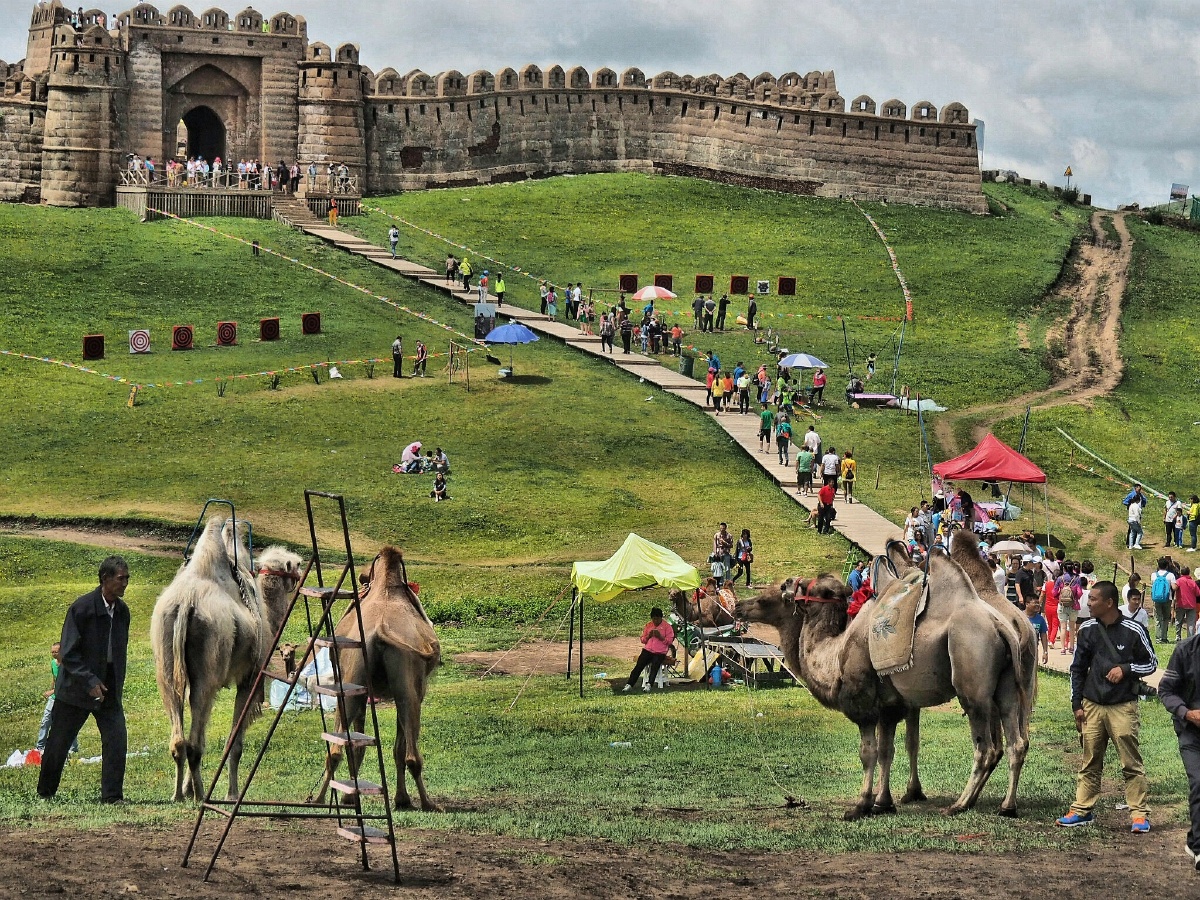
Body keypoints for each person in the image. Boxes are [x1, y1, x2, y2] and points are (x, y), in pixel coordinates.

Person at [1055, 580, 1157, 832]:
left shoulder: (1135, 630)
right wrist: (1076, 703)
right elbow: (1077, 669)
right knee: (1089, 760)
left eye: (1092, 600)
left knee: (1130, 763)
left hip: (1123, 706)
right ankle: (1081, 810)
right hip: (1091, 705)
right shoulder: (1087, 629)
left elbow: (1151, 664)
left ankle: (1139, 815)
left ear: (1109, 603)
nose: (1087, 603)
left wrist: (1126, 669)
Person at [38, 557, 131, 803]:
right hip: (75, 687)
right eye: (121, 578)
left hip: (107, 685)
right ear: (105, 579)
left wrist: (112, 684)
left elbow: (118, 652)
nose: (125, 583)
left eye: (127, 578)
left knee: (116, 738)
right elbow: (67, 652)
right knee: (58, 742)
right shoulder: (81, 609)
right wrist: (89, 681)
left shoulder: (122, 612)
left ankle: (112, 796)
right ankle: (45, 793)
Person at [1157, 625, 1200, 870]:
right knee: (1199, 782)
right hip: (1191, 732)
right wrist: (1187, 713)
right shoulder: (1186, 650)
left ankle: (1194, 840)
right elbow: (1166, 690)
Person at [35, 642, 79, 755]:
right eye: (52, 652)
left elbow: (67, 683)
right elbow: (55, 679)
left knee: (68, 723)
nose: (54, 654)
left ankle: (73, 748)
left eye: (56, 651)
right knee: (46, 720)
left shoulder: (67, 665)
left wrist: (52, 691)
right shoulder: (53, 663)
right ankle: (40, 747)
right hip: (54, 697)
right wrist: (52, 690)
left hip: (66, 697)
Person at [623, 608, 675, 692]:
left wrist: (660, 637)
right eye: (654, 619)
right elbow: (643, 640)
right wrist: (648, 636)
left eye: (657, 619)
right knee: (639, 665)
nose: (655, 621)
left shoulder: (667, 627)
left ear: (661, 618)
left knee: (655, 666)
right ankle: (629, 684)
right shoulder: (649, 625)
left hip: (660, 652)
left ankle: (649, 684)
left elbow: (669, 642)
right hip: (648, 650)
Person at [1151, 558, 1178, 644]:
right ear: (1167, 566)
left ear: (1158, 565)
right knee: (1166, 618)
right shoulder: (1170, 575)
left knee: (1158, 618)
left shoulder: (1154, 575)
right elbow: (1174, 587)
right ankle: (1164, 637)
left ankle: (1158, 639)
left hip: (1156, 599)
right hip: (1167, 598)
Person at [1025, 597, 1049, 665]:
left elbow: (1043, 635)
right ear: (1027, 604)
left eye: (1038, 603)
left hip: (1033, 650)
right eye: (1035, 603)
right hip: (1021, 649)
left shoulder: (1040, 619)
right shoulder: (1020, 617)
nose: (1037, 605)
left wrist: (1045, 652)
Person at [1178, 567, 1199, 641]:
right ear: (1189, 573)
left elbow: (1175, 587)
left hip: (1181, 604)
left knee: (1179, 621)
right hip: (1192, 604)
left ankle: (1178, 637)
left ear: (1181, 573)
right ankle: (1190, 638)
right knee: (1191, 623)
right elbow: (1198, 593)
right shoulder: (1192, 582)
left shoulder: (1179, 581)